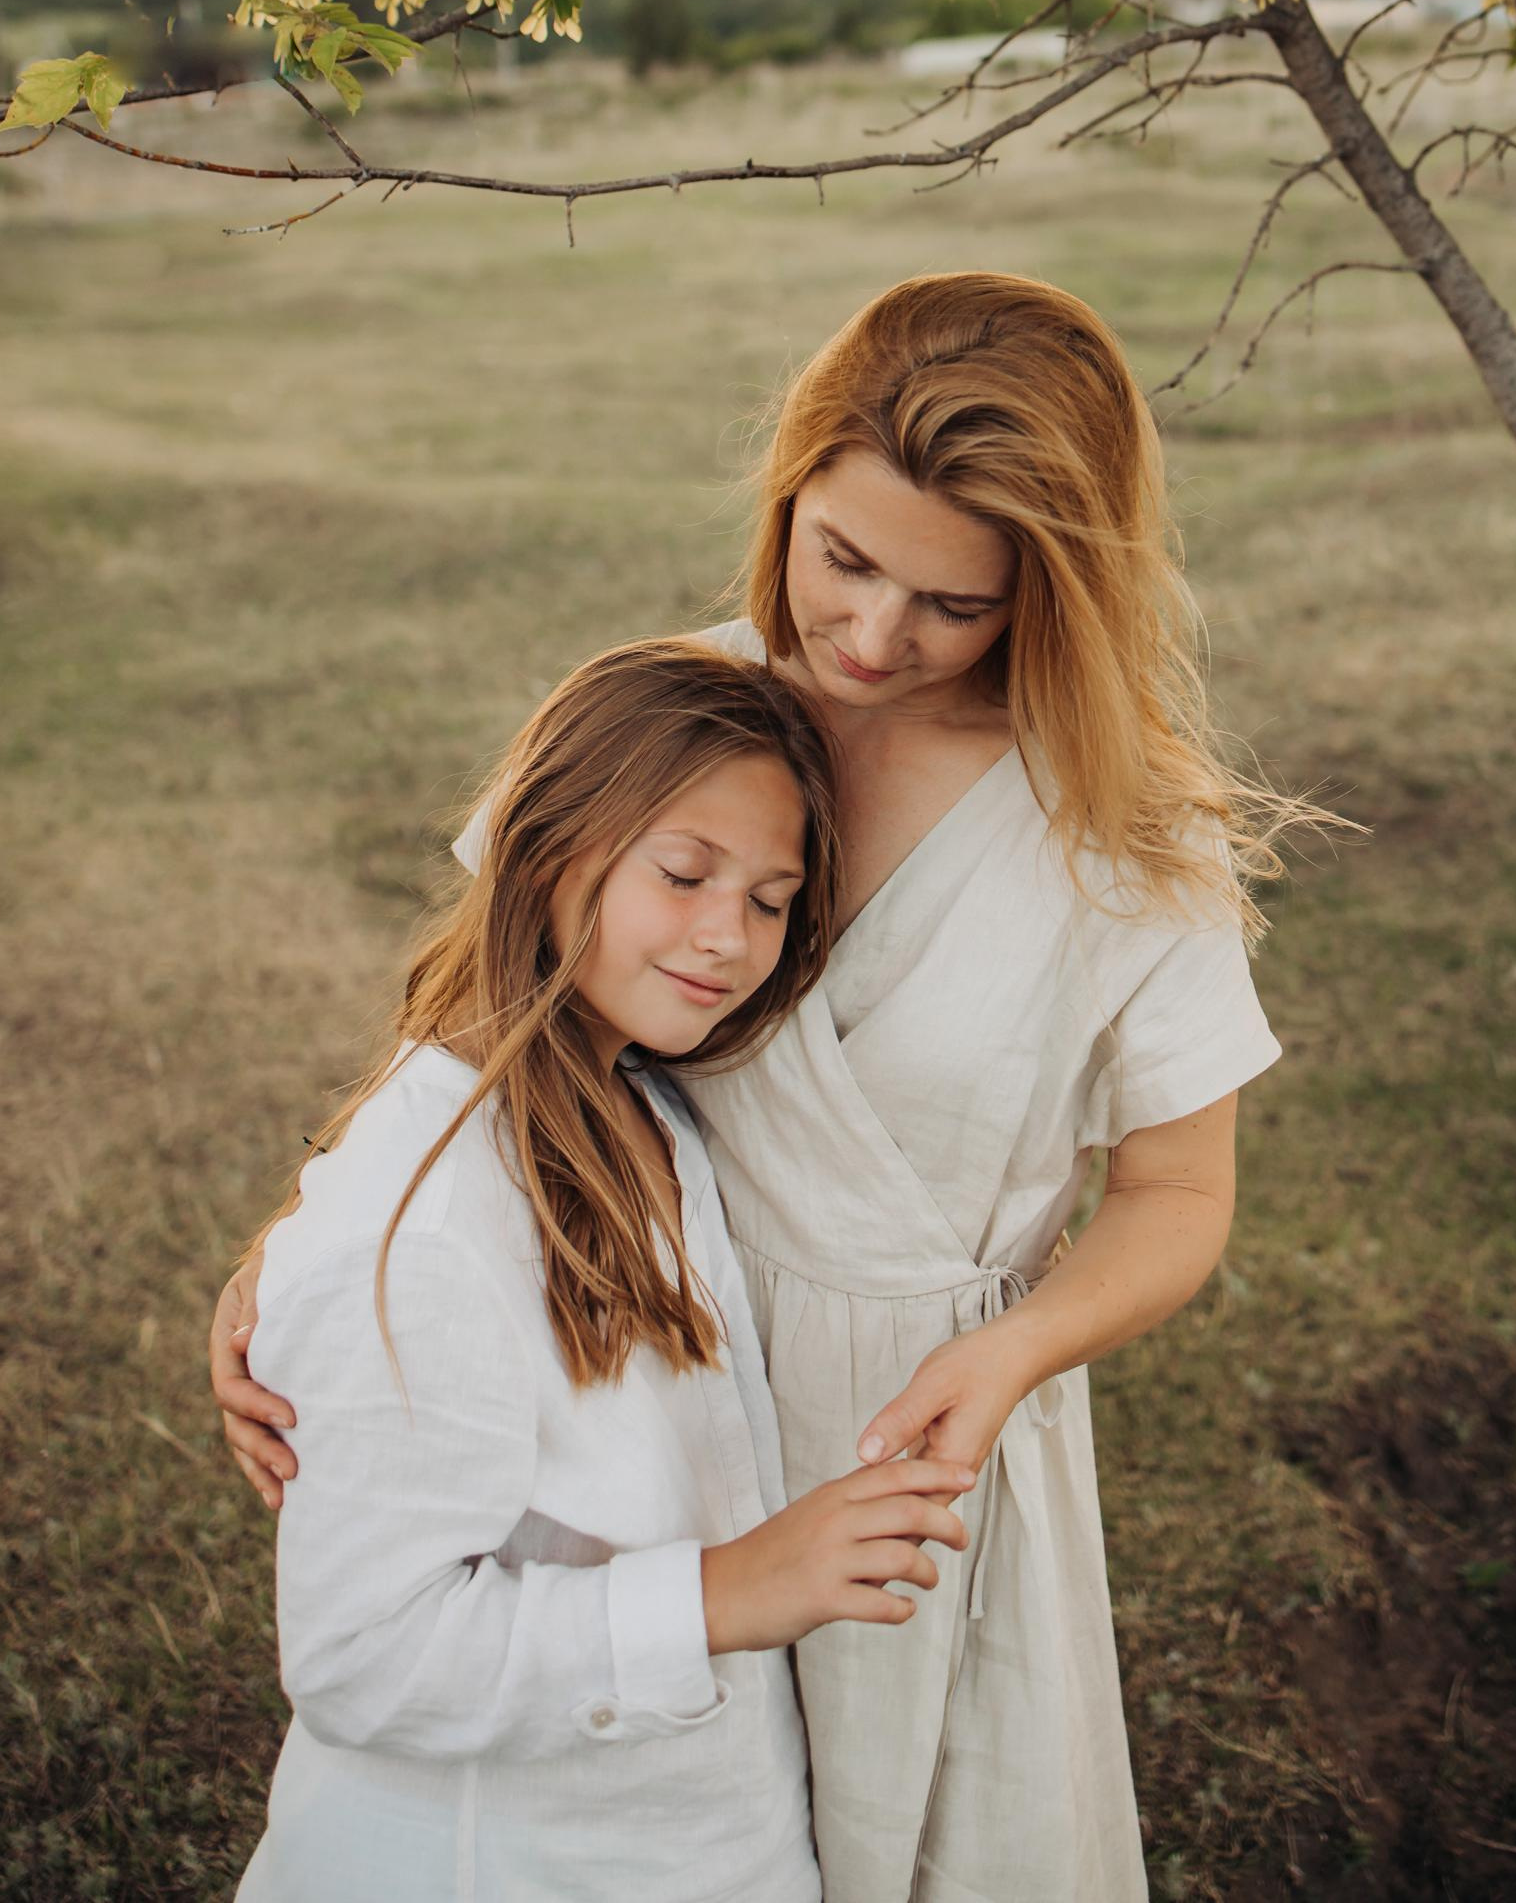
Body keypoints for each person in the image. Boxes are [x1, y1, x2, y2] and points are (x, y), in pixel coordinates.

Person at [218, 274, 1304, 1903]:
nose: (871, 637)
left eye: (952, 603)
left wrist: (1010, 1352)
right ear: (788, 490)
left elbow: (1177, 1191)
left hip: (915, 1433)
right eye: (842, 559)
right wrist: (309, 1244)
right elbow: (488, 998)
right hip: (635, 1379)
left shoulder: (1127, 838)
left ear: (1054, 595)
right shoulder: (671, 717)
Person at [232, 638, 974, 1903]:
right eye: (682, 874)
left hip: (687, 1832)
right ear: (542, 848)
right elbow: (363, 1659)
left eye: (770, 897)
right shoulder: (417, 1232)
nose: (726, 938)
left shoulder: (647, 1100)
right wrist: (726, 1591)